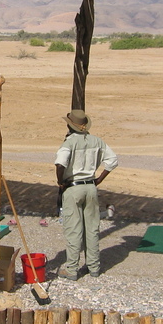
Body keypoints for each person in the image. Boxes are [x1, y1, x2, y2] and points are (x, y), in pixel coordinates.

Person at [54, 109, 118, 280]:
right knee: (92, 228)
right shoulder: (97, 141)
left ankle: (72, 269)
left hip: (73, 187)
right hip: (90, 185)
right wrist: (99, 179)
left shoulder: (69, 143)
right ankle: (94, 266)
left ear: (69, 125)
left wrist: (61, 182)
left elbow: (60, 164)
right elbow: (113, 160)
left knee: (73, 229)